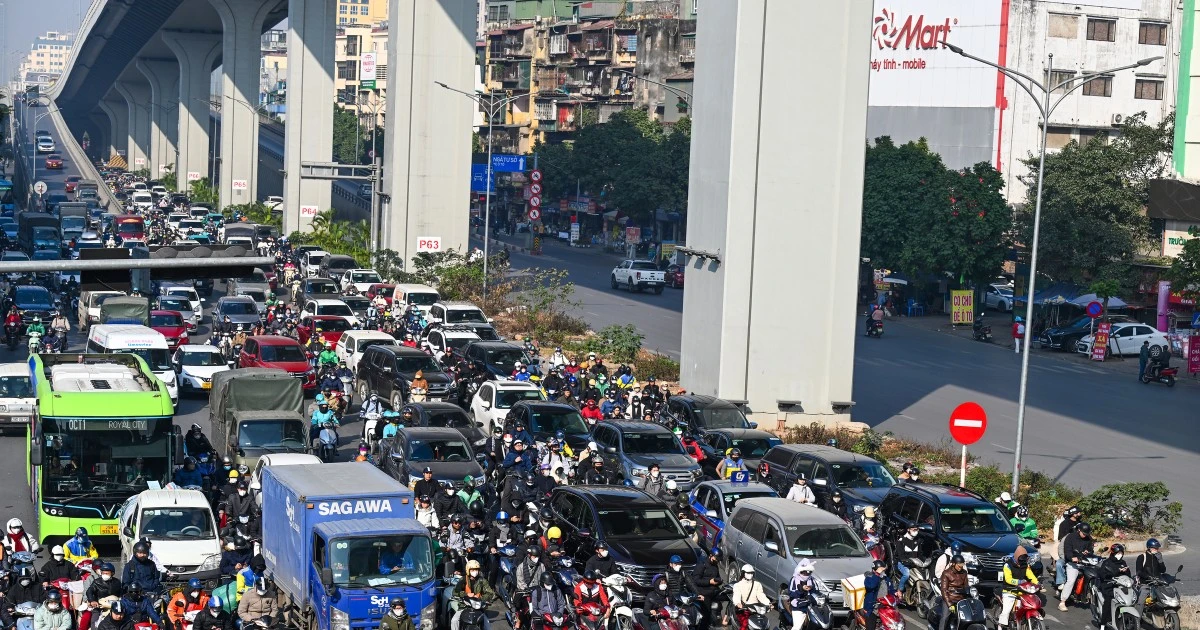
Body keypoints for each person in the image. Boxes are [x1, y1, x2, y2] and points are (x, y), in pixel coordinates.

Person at [997, 549, 1038, 630]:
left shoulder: (1026, 565)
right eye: (1021, 559)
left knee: (1028, 605)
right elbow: (1008, 579)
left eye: (1024, 559)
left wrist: (1037, 583)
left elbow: (1031, 576)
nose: (1022, 562)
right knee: (1007, 610)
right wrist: (1019, 581)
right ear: (1016, 557)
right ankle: (1000, 626)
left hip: (1022, 591)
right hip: (1009, 591)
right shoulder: (1007, 565)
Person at [1058, 522, 1094, 611]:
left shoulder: (1088, 538)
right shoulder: (1070, 537)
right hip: (1072, 563)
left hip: (1085, 562)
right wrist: (1072, 558)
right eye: (1084, 533)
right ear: (1079, 530)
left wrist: (1088, 552)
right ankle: (1062, 602)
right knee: (1071, 580)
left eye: (1087, 534)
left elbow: (1091, 549)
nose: (1085, 535)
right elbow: (1067, 551)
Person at [450, 560, 495, 630]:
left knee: (487, 626)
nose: (475, 572)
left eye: (476, 570)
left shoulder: (482, 580)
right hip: (464, 606)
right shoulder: (463, 579)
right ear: (468, 570)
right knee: (454, 621)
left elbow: (490, 593)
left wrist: (481, 598)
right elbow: (455, 591)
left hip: (478, 608)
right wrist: (466, 594)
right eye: (473, 570)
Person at [82, 562, 123, 630]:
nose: (104, 575)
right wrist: (92, 600)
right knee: (95, 622)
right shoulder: (97, 582)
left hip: (114, 607)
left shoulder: (117, 582)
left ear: (112, 573)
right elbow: (89, 591)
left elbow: (121, 593)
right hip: (99, 606)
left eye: (107, 573)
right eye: (103, 573)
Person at [731, 564, 769, 630]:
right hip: (744, 610)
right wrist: (738, 603)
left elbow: (761, 595)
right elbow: (736, 595)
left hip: (756, 610)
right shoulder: (738, 585)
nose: (750, 575)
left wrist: (768, 603)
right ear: (743, 573)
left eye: (752, 573)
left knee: (765, 624)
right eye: (748, 573)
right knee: (745, 624)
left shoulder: (757, 584)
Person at [1135, 538, 1167, 616]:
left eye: (1157, 548)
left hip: (1157, 583)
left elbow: (1163, 570)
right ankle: (1137, 618)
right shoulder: (1142, 557)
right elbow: (1139, 571)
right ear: (1149, 548)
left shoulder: (1158, 557)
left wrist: (1160, 561)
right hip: (1146, 583)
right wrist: (1148, 577)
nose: (1156, 550)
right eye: (1155, 548)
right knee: (1141, 600)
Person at [862, 560, 896, 630]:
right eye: (882, 570)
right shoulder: (869, 578)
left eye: (884, 570)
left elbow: (891, 590)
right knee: (871, 627)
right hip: (872, 608)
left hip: (885, 607)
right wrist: (877, 574)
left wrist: (895, 593)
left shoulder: (886, 579)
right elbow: (871, 586)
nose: (883, 572)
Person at [938, 554, 969, 630]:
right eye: (959, 565)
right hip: (949, 598)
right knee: (945, 617)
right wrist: (949, 604)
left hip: (961, 599)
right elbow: (944, 590)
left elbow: (966, 586)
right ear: (953, 564)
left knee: (967, 617)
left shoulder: (964, 573)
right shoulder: (946, 573)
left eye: (962, 565)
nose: (960, 567)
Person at [787, 560, 819, 630]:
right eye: (804, 572)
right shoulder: (794, 580)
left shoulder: (812, 580)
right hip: (798, 606)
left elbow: (816, 592)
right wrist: (802, 589)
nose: (806, 574)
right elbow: (791, 593)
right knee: (797, 627)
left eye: (809, 572)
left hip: (811, 606)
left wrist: (811, 588)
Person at [894, 525, 923, 598]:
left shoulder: (918, 540)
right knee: (906, 574)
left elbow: (920, 554)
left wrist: (924, 560)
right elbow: (900, 555)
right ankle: (899, 590)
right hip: (903, 563)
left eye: (917, 529)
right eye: (913, 529)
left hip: (915, 563)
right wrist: (905, 561)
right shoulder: (901, 541)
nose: (915, 531)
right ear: (908, 530)